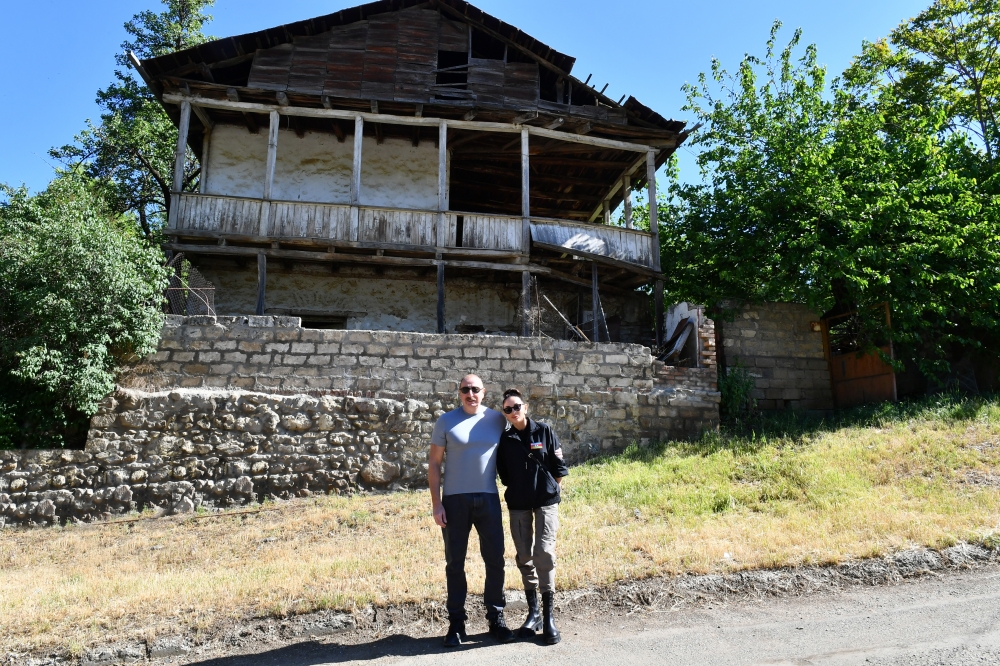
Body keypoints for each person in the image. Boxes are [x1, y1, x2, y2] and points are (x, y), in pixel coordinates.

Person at [428, 374, 515, 647]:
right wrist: (436, 503)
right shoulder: (446, 421)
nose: (470, 394)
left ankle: (496, 617)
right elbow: (434, 464)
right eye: (465, 389)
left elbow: (521, 436)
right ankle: (456, 623)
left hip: (488, 498)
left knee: (495, 559)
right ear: (459, 393)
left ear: (483, 392)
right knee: (455, 563)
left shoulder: (497, 419)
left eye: (475, 389)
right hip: (454, 501)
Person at [495, 388, 569, 645]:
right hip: (518, 504)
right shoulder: (505, 440)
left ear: (525, 407)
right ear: (505, 414)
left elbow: (558, 467)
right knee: (524, 556)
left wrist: (550, 488)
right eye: (508, 409)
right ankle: (534, 613)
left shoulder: (544, 431)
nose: (513, 411)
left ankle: (548, 618)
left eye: (516, 406)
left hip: (545, 502)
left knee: (544, 553)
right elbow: (504, 475)